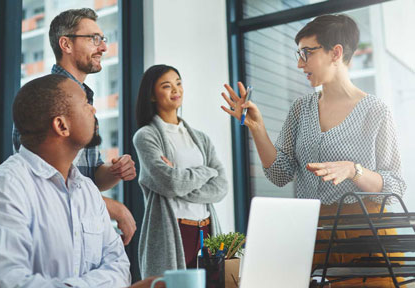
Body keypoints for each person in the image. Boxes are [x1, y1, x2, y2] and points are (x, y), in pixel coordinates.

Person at [221, 14, 406, 287]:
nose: (299, 63)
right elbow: (280, 174)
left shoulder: (376, 111)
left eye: (306, 53)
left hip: (366, 237)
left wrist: (353, 170)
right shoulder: (300, 109)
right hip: (313, 236)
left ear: (336, 52)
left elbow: (395, 184)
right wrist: (257, 128)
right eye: (298, 54)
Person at [0, 74, 161, 288]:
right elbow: (3, 283)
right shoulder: (4, 189)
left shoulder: (86, 189)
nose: (93, 110)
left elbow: (120, 266)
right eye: (86, 103)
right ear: (61, 125)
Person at [12, 8, 137, 246]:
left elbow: (90, 177)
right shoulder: (43, 98)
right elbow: (45, 182)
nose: (103, 47)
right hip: (53, 234)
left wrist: (114, 172)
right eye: (94, 39)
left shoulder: (86, 102)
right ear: (66, 44)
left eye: (103, 39)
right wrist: (111, 207)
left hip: (83, 229)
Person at [133, 65, 228, 278]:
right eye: (167, 86)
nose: (176, 90)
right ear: (151, 95)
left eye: (178, 83)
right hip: (174, 230)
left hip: (207, 229)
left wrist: (181, 177)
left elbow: (221, 188)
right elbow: (171, 184)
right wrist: (206, 171)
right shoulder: (146, 136)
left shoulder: (201, 138)